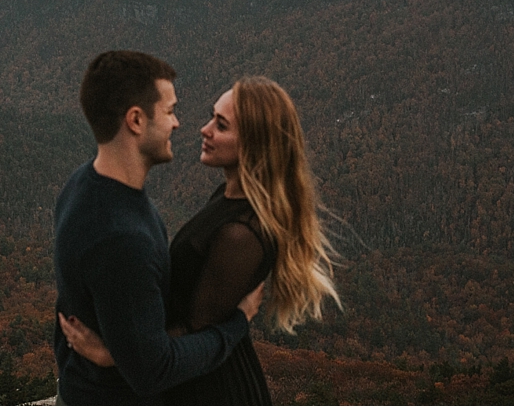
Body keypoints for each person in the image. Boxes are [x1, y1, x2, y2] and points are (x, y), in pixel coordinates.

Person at [61, 75, 341, 404]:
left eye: (221, 126)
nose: (204, 129)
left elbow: (193, 330)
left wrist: (116, 355)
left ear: (252, 146)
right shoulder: (228, 196)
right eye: (212, 117)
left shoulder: (243, 234)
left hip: (212, 387)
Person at [53, 51, 265, 405]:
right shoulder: (122, 239)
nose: (178, 123)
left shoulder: (82, 185)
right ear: (136, 120)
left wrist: (111, 356)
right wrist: (238, 322)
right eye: (169, 111)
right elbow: (155, 370)